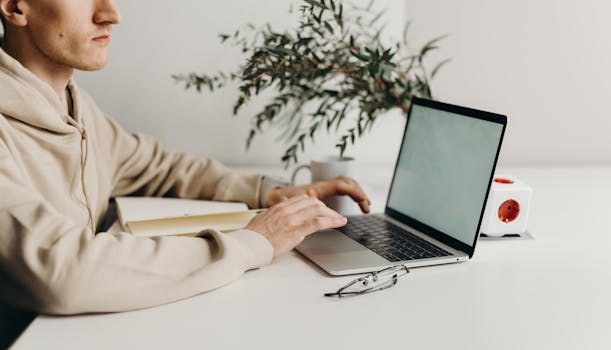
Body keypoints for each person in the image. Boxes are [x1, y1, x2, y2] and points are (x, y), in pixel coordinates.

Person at [0, 0, 371, 321]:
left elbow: (158, 166)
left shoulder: (75, 108)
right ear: (15, 6)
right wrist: (250, 244)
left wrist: (271, 193)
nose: (112, 14)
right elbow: (65, 273)